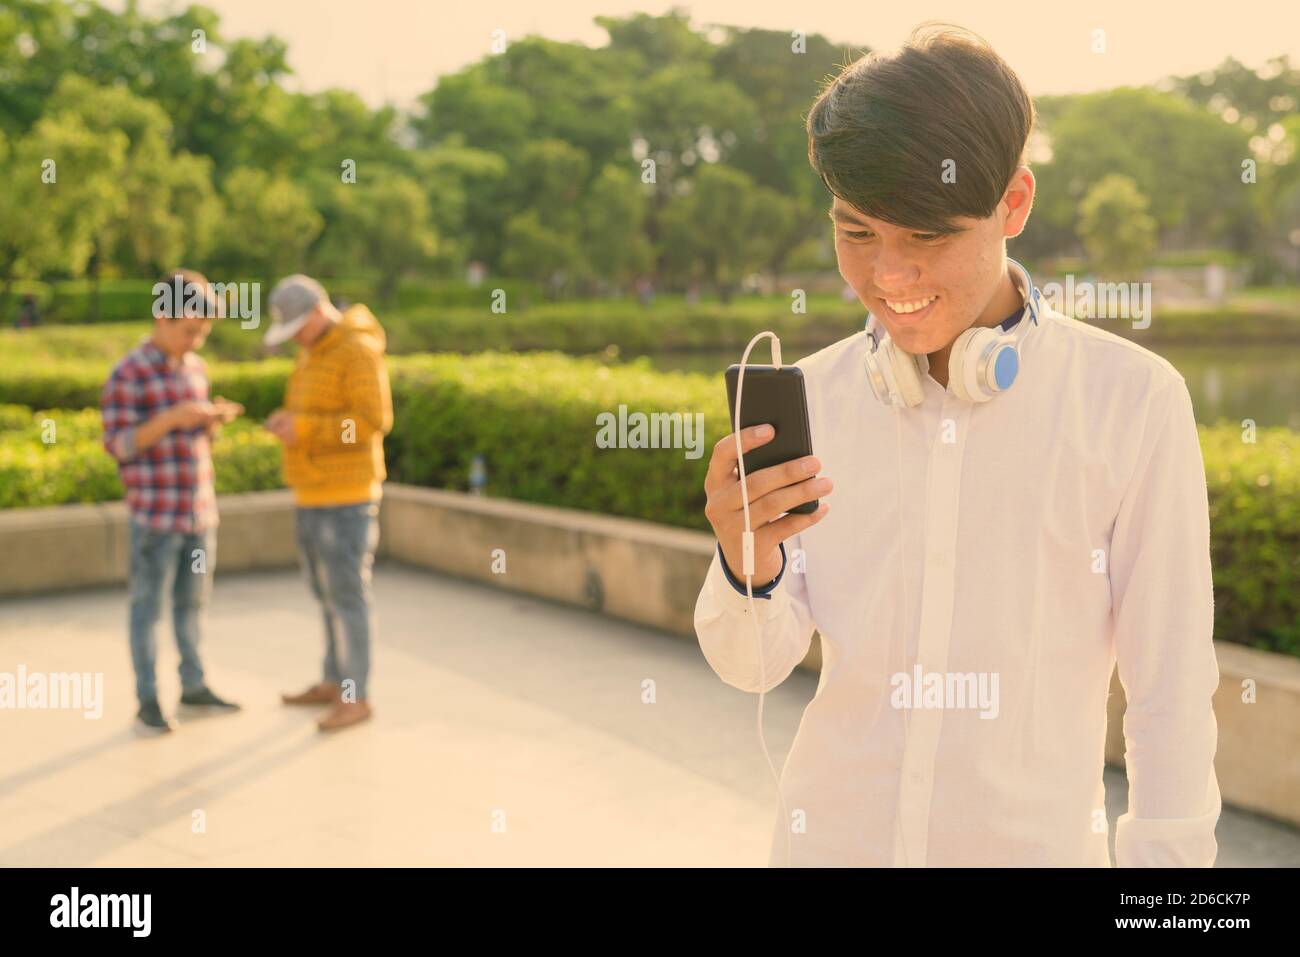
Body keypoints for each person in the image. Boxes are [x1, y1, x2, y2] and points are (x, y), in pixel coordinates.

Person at [695, 25, 1221, 867]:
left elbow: (1170, 689)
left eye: (926, 236)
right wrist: (741, 560)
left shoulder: (1133, 402)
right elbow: (751, 666)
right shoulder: (815, 399)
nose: (889, 277)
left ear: (1013, 202)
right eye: (858, 234)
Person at [100, 270, 244, 734]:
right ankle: (148, 698)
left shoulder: (195, 368)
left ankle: (194, 685)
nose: (197, 339)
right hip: (155, 515)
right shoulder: (129, 372)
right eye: (190, 329)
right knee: (147, 609)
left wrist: (209, 421)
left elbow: (194, 437)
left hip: (198, 511)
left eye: (203, 331)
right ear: (164, 316)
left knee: (192, 604)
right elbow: (119, 444)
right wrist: (173, 418)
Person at [262, 275, 393, 732]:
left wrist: (308, 430)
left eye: (298, 326)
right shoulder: (311, 350)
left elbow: (372, 421)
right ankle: (334, 681)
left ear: (318, 312)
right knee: (326, 595)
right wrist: (291, 422)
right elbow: (318, 413)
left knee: (346, 598)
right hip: (312, 491)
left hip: (347, 497)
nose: (294, 336)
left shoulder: (356, 349)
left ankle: (356, 696)